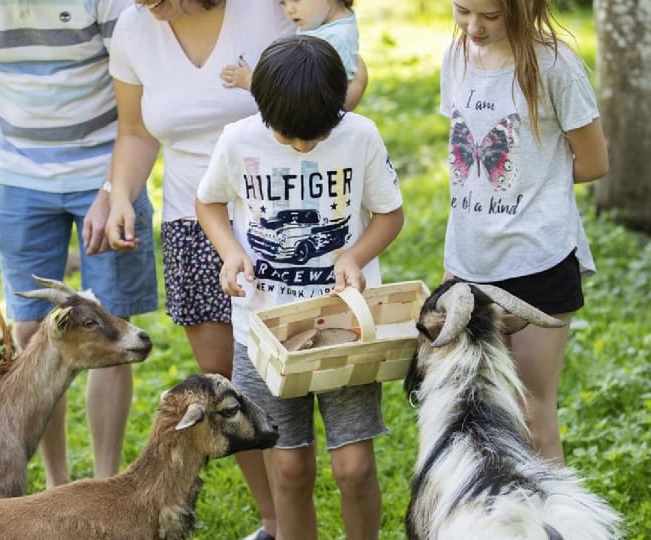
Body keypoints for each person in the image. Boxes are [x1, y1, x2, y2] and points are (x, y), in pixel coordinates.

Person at [103, 2, 315, 538]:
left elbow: (323, 85)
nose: (146, 4)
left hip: (276, 214)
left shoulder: (269, 10)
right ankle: (273, 521)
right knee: (227, 381)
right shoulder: (133, 27)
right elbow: (134, 131)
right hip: (190, 219)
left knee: (281, 370)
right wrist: (120, 195)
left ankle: (296, 514)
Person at [0, 0, 158, 487]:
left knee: (112, 328)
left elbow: (139, 105)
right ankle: (57, 488)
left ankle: (104, 486)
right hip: (19, 176)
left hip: (107, 168)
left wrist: (112, 190)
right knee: (33, 332)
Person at [196, 35, 405, 540]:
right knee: (289, 471)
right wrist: (231, 252)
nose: (302, 147)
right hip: (264, 333)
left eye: (314, 136)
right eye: (290, 136)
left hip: (343, 328)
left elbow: (389, 214)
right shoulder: (238, 139)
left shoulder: (360, 137)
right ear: (261, 106)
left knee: (354, 470)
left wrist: (355, 256)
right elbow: (209, 203)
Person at [440, 0, 609, 464]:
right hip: (467, 265)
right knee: (477, 417)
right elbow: (464, 163)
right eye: (462, 10)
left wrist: (531, 181)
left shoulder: (557, 67)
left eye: (490, 17)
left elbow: (595, 162)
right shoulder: (455, 57)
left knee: (533, 419)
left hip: (538, 260)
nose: (473, 26)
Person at [221, 0, 365, 110]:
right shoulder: (332, 23)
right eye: (282, 3)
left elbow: (300, 94)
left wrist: (251, 81)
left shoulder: (332, 40)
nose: (289, 10)